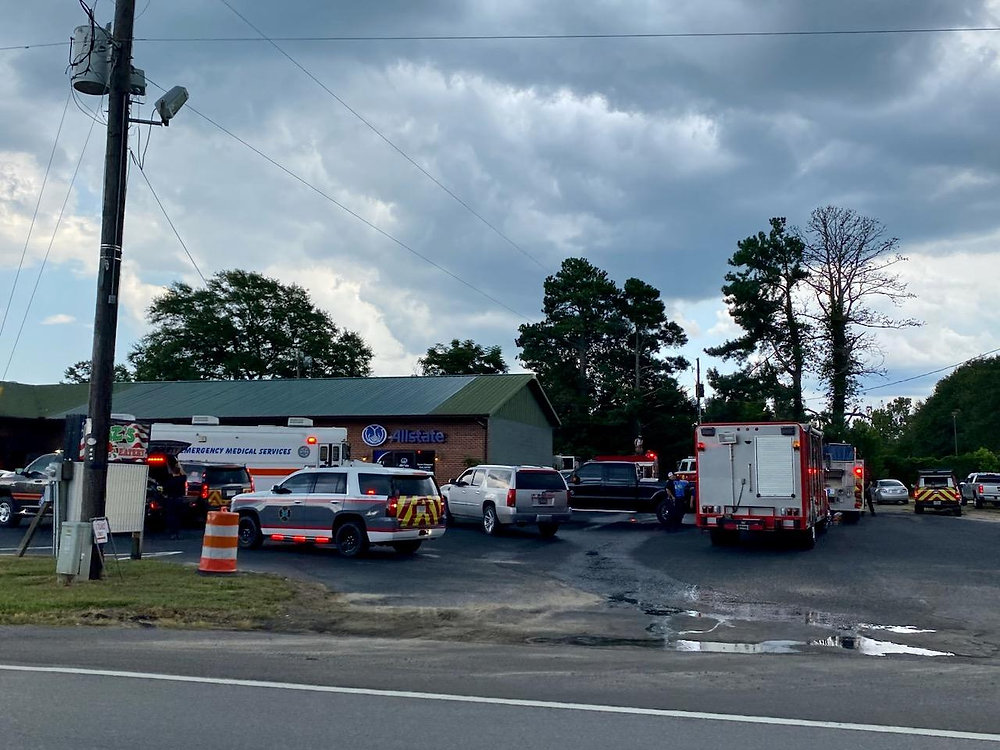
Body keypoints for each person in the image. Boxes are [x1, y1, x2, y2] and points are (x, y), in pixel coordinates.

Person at [163, 455, 187, 540]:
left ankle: (172, 533)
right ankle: (177, 533)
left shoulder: (170, 480)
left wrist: (167, 463)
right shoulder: (182, 479)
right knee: (178, 517)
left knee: (171, 517)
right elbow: (184, 473)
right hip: (179, 500)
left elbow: (169, 471)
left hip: (171, 500)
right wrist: (177, 463)